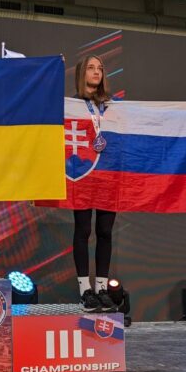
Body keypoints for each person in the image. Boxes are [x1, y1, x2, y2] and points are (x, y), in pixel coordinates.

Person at [73, 55, 117, 313]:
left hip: (108, 175)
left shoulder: (113, 106)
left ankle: (101, 288)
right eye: (91, 68)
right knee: (83, 230)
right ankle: (84, 290)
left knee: (105, 231)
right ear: (82, 73)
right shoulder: (71, 105)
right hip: (82, 173)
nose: (96, 72)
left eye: (100, 68)